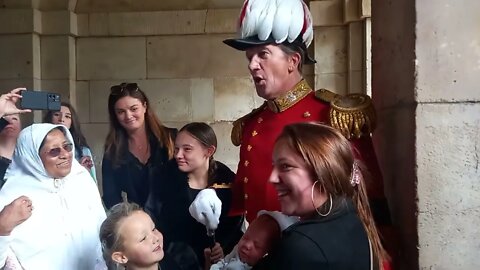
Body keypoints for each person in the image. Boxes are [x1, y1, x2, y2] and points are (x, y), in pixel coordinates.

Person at [223, 0, 393, 245]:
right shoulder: (252, 125)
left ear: (293, 61)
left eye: (263, 54)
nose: (252, 65)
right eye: (250, 57)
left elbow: (371, 206)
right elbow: (244, 203)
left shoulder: (334, 117)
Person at [250, 122, 388, 270]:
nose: (272, 178)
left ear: (322, 173)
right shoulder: (352, 215)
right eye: (274, 166)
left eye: (286, 166)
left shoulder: (303, 246)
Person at [0, 123, 106, 269]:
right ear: (33, 156)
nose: (65, 154)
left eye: (67, 146)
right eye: (54, 151)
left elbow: (103, 228)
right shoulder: (11, 197)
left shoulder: (81, 179)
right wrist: (3, 228)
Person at [146, 122, 243, 270]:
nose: (178, 155)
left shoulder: (227, 180)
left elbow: (235, 222)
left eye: (187, 149)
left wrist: (222, 246)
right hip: (175, 260)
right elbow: (153, 218)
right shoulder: (163, 178)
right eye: (177, 148)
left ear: (209, 151)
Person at [102, 82, 176, 209]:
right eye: (121, 112)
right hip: (140, 224)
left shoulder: (171, 138)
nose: (128, 116)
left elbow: (192, 177)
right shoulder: (112, 151)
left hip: (176, 218)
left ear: (145, 107)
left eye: (134, 108)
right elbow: (111, 199)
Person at [100, 202, 181, 270]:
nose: (155, 238)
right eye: (143, 238)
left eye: (153, 229)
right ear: (121, 257)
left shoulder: (172, 262)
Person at [210, 211, 298, 270]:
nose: (247, 245)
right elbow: (225, 261)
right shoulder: (238, 250)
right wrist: (218, 263)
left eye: (257, 246)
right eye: (245, 237)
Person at [44, 102, 97, 182]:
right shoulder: (38, 147)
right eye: (57, 114)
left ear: (72, 122)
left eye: (67, 116)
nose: (61, 119)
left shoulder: (83, 151)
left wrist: (83, 171)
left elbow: (92, 183)